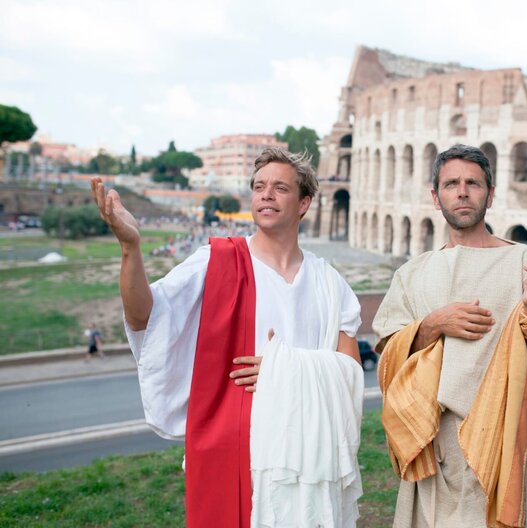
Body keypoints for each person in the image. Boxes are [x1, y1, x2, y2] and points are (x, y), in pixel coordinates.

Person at [91, 146, 364, 528]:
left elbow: (351, 374)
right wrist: (130, 248)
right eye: (258, 186)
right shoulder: (216, 261)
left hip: (306, 457)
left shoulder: (329, 283)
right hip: (234, 449)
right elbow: (144, 317)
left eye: (280, 188)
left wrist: (283, 370)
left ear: (304, 203)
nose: (266, 194)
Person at [373, 144, 527, 528]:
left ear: (490, 194)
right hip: (436, 450)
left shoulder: (524, 263)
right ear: (435, 196)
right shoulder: (412, 274)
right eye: (451, 183)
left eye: (473, 183)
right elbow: (390, 362)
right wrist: (432, 324)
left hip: (508, 444)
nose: (462, 191)